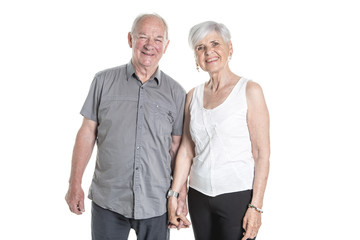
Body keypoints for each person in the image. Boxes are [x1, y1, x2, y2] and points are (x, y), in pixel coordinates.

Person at [65, 13, 188, 240]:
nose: (150, 45)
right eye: (143, 37)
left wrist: (181, 195)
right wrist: (75, 183)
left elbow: (178, 150)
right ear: (130, 40)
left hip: (156, 202)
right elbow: (86, 133)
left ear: (166, 46)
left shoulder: (177, 93)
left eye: (158, 39)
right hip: (108, 201)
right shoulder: (103, 81)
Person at [168, 21, 270, 240]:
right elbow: (186, 150)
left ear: (229, 48)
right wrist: (174, 194)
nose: (208, 52)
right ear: (196, 56)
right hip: (199, 196)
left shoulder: (249, 90)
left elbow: (262, 154)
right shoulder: (192, 96)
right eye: (200, 47)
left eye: (215, 43)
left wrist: (257, 206)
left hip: (238, 196)